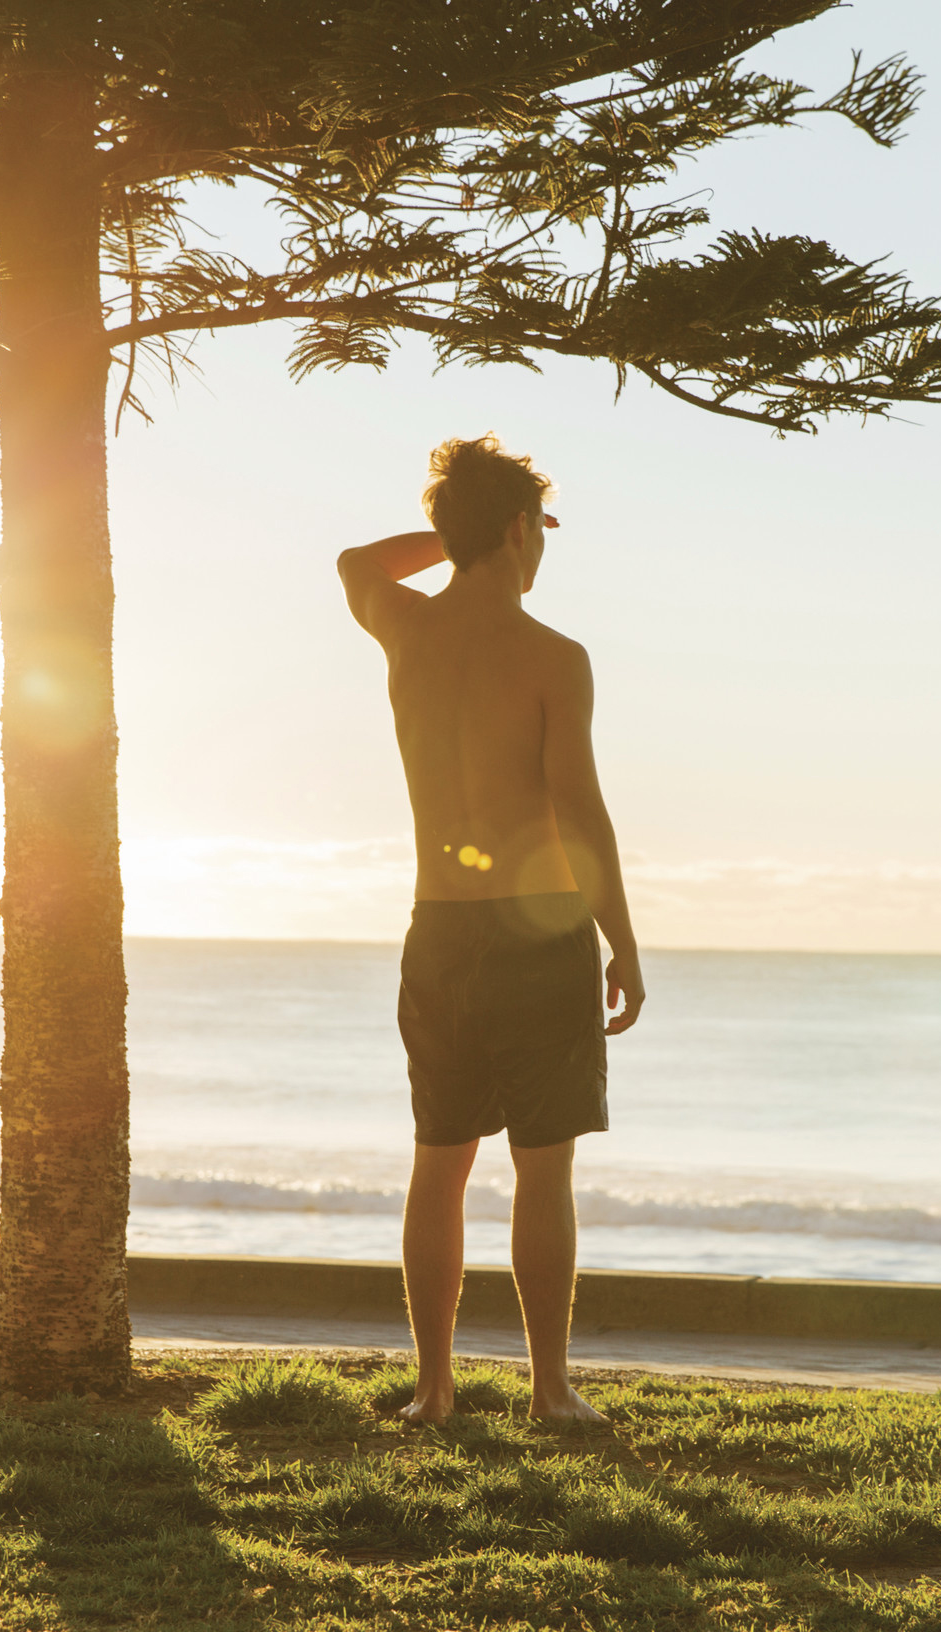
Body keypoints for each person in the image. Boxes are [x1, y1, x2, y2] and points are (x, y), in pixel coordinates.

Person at [337, 434, 645, 1425]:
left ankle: (433, 1391)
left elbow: (355, 563)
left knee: (439, 1161)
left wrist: (450, 538)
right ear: (521, 530)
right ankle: (549, 1391)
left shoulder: (404, 629)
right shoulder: (554, 657)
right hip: (539, 932)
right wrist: (623, 942)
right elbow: (578, 812)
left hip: (436, 929)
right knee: (541, 1166)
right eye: (534, 532)